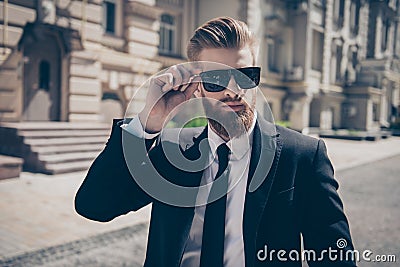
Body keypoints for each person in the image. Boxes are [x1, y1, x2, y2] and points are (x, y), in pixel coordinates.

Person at [75, 17, 356, 267]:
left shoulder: (304, 156)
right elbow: (94, 205)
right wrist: (148, 123)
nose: (233, 92)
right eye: (216, 80)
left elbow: (334, 255)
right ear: (196, 87)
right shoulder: (171, 151)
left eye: (244, 77)